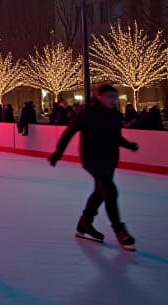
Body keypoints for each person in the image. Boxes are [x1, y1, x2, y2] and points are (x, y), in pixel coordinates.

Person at [48, 83, 139, 251]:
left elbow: (115, 137)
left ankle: (84, 224)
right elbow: (69, 132)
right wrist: (58, 154)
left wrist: (129, 145)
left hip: (110, 159)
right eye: (109, 97)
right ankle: (119, 230)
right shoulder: (87, 113)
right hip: (92, 159)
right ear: (99, 97)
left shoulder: (114, 115)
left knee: (100, 192)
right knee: (110, 191)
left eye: (114, 97)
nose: (113, 100)